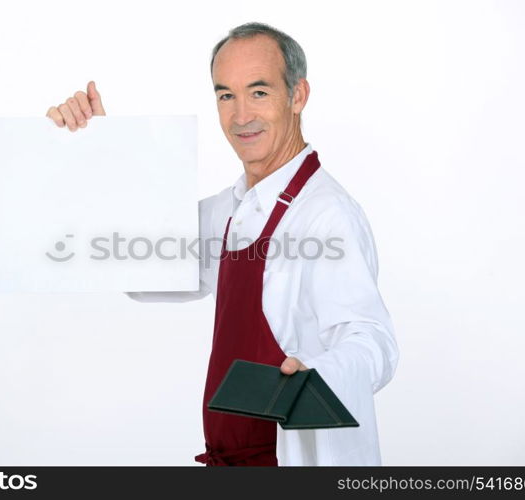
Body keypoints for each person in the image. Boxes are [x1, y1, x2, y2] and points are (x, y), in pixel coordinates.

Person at [46, 22, 399, 466]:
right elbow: (133, 261)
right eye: (226, 95)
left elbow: (373, 341)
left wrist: (321, 375)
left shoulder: (326, 215)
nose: (240, 115)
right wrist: (99, 147)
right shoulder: (231, 210)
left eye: (259, 92)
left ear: (298, 95)